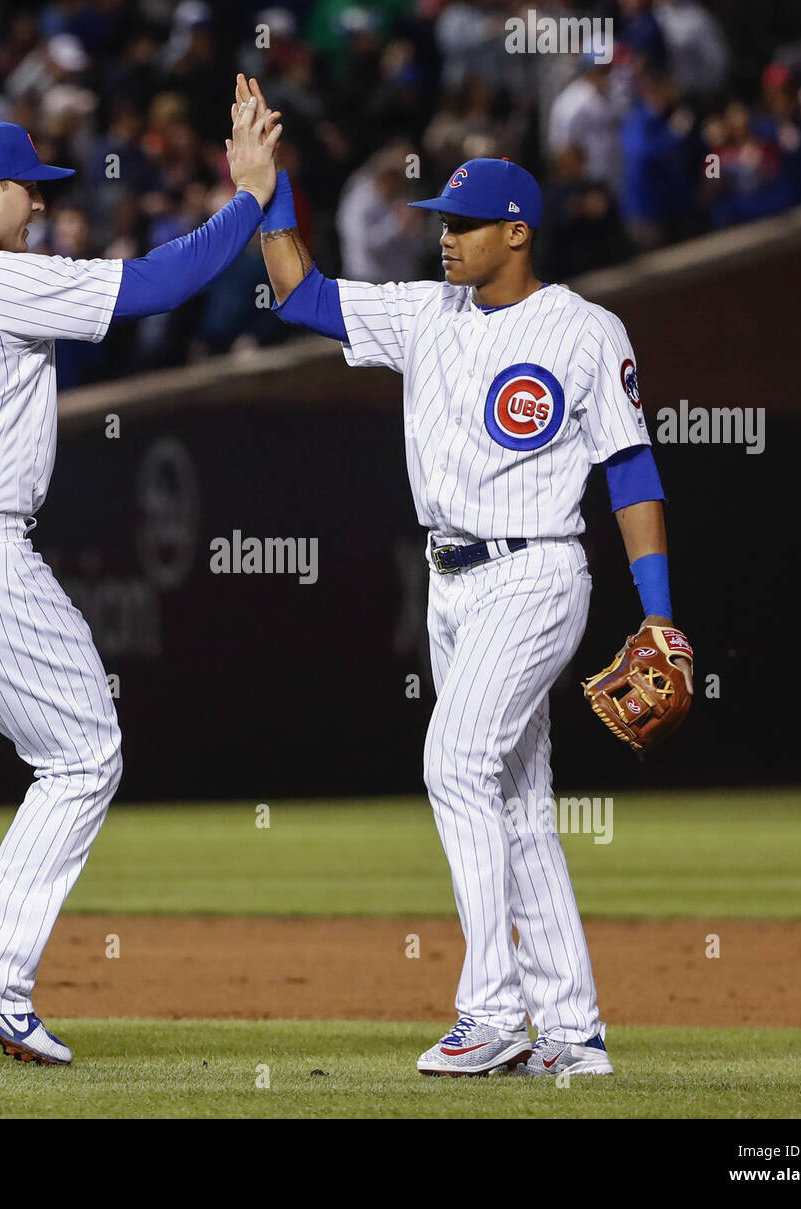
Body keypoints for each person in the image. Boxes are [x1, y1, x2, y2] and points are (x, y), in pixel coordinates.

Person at [237, 74, 692, 1077]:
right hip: (451, 583)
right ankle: (571, 1033)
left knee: (453, 763)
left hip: (535, 572)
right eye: (442, 219)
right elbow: (301, 296)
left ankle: (490, 1011)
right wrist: (268, 192)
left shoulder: (580, 329)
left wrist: (660, 617)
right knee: (517, 801)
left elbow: (631, 470)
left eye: (467, 223)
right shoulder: (423, 313)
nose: (445, 235)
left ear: (518, 232)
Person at [0, 103, 280, 1067]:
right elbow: (159, 283)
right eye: (29, 192)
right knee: (83, 751)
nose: (37, 209)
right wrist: (248, 199)